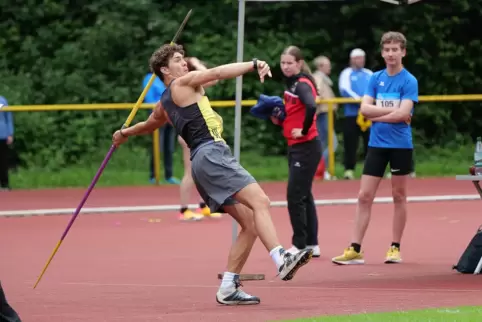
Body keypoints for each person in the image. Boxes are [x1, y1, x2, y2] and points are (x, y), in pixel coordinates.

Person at [112, 44, 314, 305]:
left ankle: (228, 287)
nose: (184, 63)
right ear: (164, 69)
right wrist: (253, 64)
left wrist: (123, 133)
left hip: (200, 163)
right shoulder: (183, 83)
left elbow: (149, 125)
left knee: (251, 223)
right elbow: (218, 72)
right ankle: (281, 258)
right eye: (177, 60)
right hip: (211, 153)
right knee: (261, 201)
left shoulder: (164, 102)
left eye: (184, 59)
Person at [332, 31, 418, 265]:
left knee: (399, 195)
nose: (391, 54)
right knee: (364, 196)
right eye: (387, 50)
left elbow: (403, 113)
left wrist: (382, 113)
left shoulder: (409, 81)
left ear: (403, 52)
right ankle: (355, 248)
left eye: (395, 49)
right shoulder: (375, 78)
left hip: (400, 145)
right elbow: (365, 110)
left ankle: (394, 247)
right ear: (382, 53)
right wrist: (395, 113)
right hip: (376, 144)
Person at [271, 46, 321, 258]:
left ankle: (299, 244)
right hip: (297, 146)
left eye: (290, 63)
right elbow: (298, 109)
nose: (286, 66)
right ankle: (312, 244)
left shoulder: (301, 84)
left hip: (306, 146)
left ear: (299, 63)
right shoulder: (292, 84)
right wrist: (280, 118)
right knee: (304, 195)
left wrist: (304, 129)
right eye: (283, 63)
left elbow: (311, 106)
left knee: (294, 196)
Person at [338, 49, 373, 180]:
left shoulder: (369, 73)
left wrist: (367, 101)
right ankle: (349, 170)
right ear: (352, 59)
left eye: (362, 58)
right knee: (350, 143)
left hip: (369, 113)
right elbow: (344, 90)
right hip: (351, 114)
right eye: (358, 58)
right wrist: (360, 100)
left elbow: (375, 88)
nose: (361, 60)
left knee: (370, 142)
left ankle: (371, 169)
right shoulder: (346, 73)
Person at [143, 71, 180, 185]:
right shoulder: (149, 78)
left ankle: (169, 175)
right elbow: (148, 98)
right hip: (157, 114)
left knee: (169, 146)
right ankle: (153, 175)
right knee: (157, 145)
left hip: (171, 113)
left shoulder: (169, 77)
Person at [312, 55, 338, 181]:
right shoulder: (318, 78)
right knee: (333, 143)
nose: (330, 67)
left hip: (325, 113)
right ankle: (321, 169)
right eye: (327, 65)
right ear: (320, 66)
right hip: (323, 113)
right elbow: (316, 94)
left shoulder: (323, 78)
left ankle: (321, 170)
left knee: (322, 143)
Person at [0, 95, 14, 191]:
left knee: (3, 161)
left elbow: (8, 118)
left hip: (2, 134)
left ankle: (4, 184)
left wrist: (10, 133)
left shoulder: (2, 100)